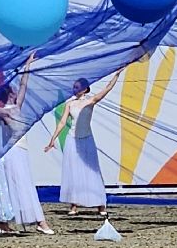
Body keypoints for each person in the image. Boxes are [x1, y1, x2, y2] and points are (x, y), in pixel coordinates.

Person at [0, 52, 53, 235]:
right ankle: (39, 221)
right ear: (9, 94)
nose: (17, 91)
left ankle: (5, 223)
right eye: (13, 90)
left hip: (20, 151)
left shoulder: (17, 107)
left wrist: (28, 65)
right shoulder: (5, 111)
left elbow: (24, 84)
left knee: (19, 184)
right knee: (15, 185)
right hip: (11, 153)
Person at [44, 66, 124, 217]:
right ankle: (74, 205)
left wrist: (117, 75)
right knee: (74, 172)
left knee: (92, 170)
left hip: (86, 139)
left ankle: (100, 205)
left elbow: (107, 89)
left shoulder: (90, 101)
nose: (74, 90)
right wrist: (52, 139)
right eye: (74, 87)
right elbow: (62, 122)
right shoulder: (70, 104)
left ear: (85, 89)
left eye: (77, 87)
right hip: (72, 140)